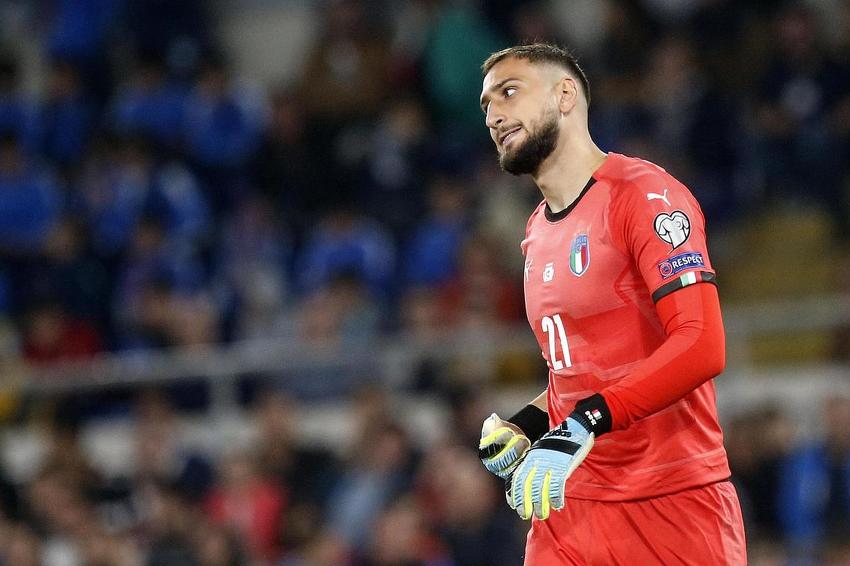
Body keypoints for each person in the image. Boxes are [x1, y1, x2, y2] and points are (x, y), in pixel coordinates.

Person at [476, 44, 746, 564]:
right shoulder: (535, 230)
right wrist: (528, 426)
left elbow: (702, 344)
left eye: (509, 93)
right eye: (486, 105)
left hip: (671, 506)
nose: (493, 115)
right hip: (567, 506)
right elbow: (582, 371)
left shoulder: (645, 196)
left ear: (565, 95)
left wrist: (582, 425)